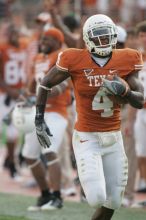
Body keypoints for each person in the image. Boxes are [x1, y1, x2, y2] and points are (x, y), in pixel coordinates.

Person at [34, 14, 144, 220]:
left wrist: (126, 93)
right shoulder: (73, 58)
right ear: (87, 38)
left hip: (114, 137)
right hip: (87, 136)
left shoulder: (127, 57)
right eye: (98, 37)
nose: (103, 41)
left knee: (113, 202)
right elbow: (45, 83)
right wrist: (38, 118)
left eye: (107, 36)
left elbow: (140, 99)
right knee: (96, 198)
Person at [21, 27, 72, 211]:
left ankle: (57, 197)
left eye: (48, 39)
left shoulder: (60, 56)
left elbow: (63, 85)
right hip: (38, 113)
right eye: (42, 38)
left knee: (49, 150)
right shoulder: (39, 58)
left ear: (58, 42)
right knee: (29, 155)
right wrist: (21, 103)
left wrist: (44, 93)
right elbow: (30, 86)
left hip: (56, 112)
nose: (43, 41)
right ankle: (45, 195)